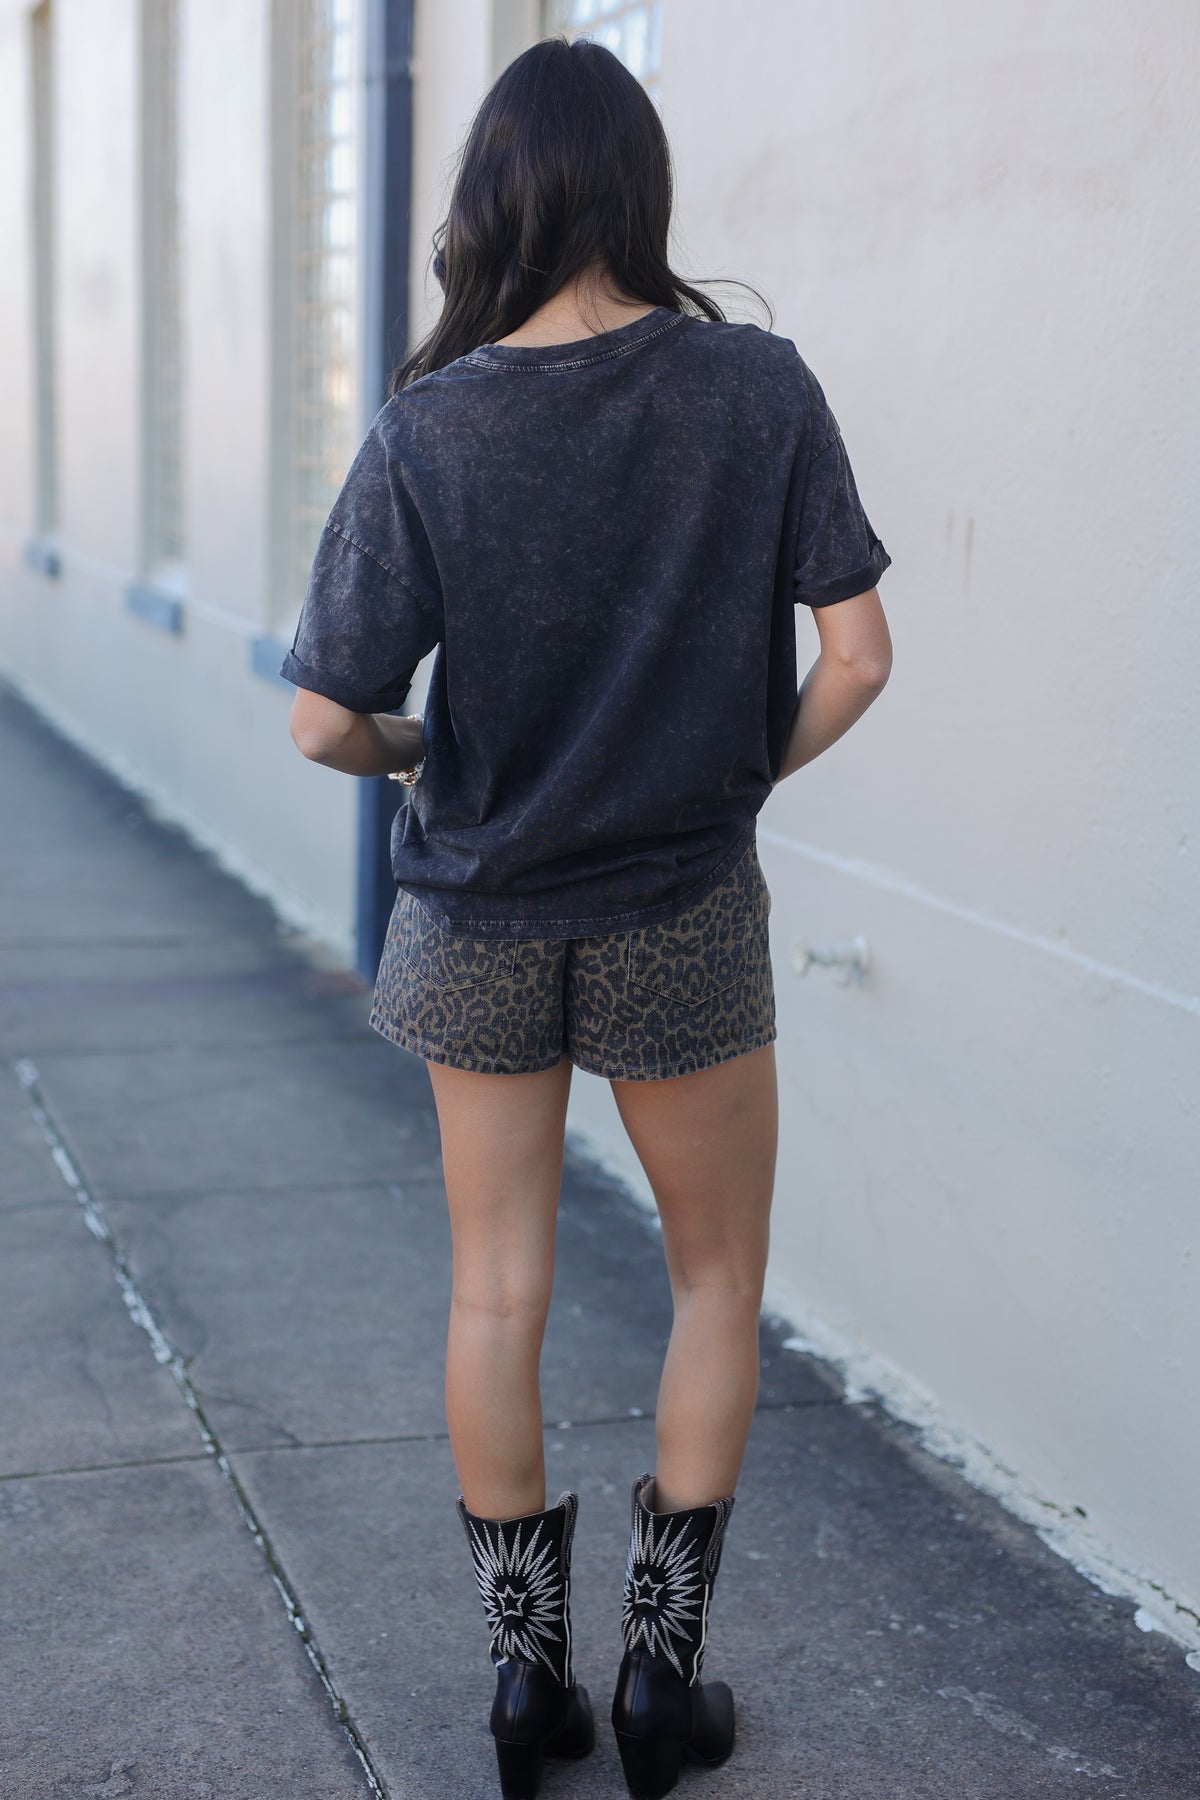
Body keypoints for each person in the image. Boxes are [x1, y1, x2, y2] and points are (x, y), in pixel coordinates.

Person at [282, 33, 892, 1800]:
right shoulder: (756, 388)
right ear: (642, 190)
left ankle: (522, 1693)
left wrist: (427, 750)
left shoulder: (432, 424)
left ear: (490, 205)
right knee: (713, 1278)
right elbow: (857, 657)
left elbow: (324, 718)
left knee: (497, 1295)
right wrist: (740, 770)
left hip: (474, 913)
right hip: (683, 900)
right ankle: (658, 1690)